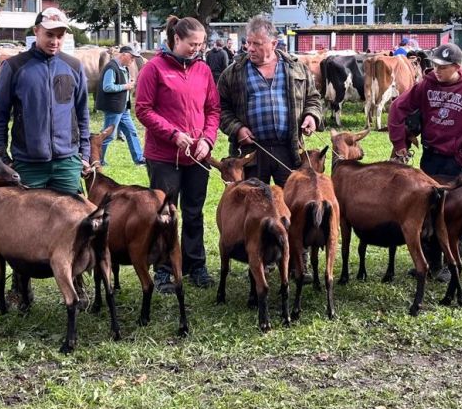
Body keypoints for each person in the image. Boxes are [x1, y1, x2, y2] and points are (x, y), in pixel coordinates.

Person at [136, 16, 220, 292]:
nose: (196, 49)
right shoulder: (154, 69)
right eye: (191, 44)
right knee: (165, 214)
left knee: (194, 213)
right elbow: (144, 110)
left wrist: (207, 139)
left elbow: (213, 110)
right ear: (176, 40)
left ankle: (196, 265)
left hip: (197, 156)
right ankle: (163, 270)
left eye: (201, 44)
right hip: (164, 156)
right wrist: (173, 134)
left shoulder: (204, 70)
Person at [0, 8, 91, 194]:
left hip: (67, 164)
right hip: (28, 164)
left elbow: (82, 112)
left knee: (72, 221)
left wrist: (85, 154)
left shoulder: (74, 67)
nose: (55, 41)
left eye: (60, 36)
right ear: (36, 31)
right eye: (49, 34)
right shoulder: (14, 67)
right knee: (27, 222)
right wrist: (2, 156)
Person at [217, 15, 323, 186]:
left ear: (273, 44)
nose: (250, 48)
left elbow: (313, 98)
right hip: (251, 153)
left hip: (289, 150)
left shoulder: (296, 68)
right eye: (248, 42)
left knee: (290, 205)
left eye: (257, 44)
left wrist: (311, 116)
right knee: (253, 206)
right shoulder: (233, 73)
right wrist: (237, 129)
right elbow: (220, 107)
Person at [388, 42, 462, 177]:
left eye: (442, 67)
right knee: (428, 198)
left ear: (457, 67)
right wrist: (399, 144)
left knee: (455, 198)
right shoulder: (426, 84)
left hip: (456, 160)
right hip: (430, 156)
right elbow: (397, 107)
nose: (436, 70)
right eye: (435, 65)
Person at [96, 46, 145, 167]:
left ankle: (139, 159)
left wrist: (128, 83)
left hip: (123, 108)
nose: (133, 60)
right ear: (124, 54)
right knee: (108, 135)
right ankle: (98, 160)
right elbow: (107, 87)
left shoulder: (124, 68)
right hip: (114, 108)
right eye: (131, 57)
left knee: (131, 132)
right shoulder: (111, 67)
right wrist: (126, 86)